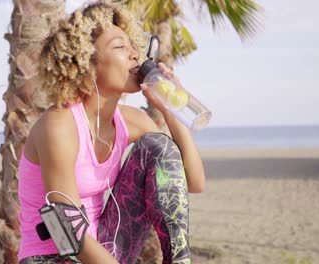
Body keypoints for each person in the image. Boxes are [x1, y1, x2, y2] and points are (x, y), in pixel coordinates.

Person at [17, 2, 205, 264]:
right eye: (120, 46)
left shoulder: (132, 121)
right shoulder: (58, 125)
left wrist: (170, 108)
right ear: (86, 63)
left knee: (158, 145)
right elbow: (68, 234)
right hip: (52, 255)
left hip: (103, 251)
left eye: (133, 46)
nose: (135, 56)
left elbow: (193, 183)